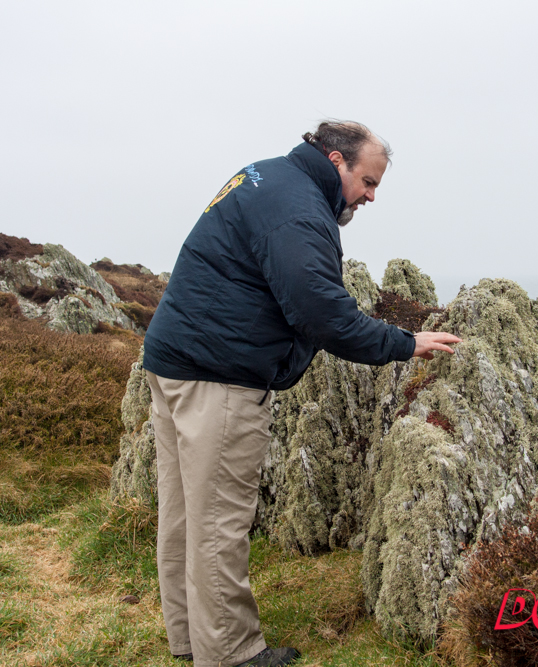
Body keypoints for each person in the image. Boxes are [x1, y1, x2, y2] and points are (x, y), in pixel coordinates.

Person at [142, 120, 462, 667]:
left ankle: (192, 640)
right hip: (219, 376)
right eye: (368, 181)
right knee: (218, 522)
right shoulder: (298, 208)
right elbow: (322, 313)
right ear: (336, 161)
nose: (370, 196)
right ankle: (231, 656)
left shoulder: (265, 175)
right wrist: (403, 343)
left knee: (185, 517)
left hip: (174, 361)